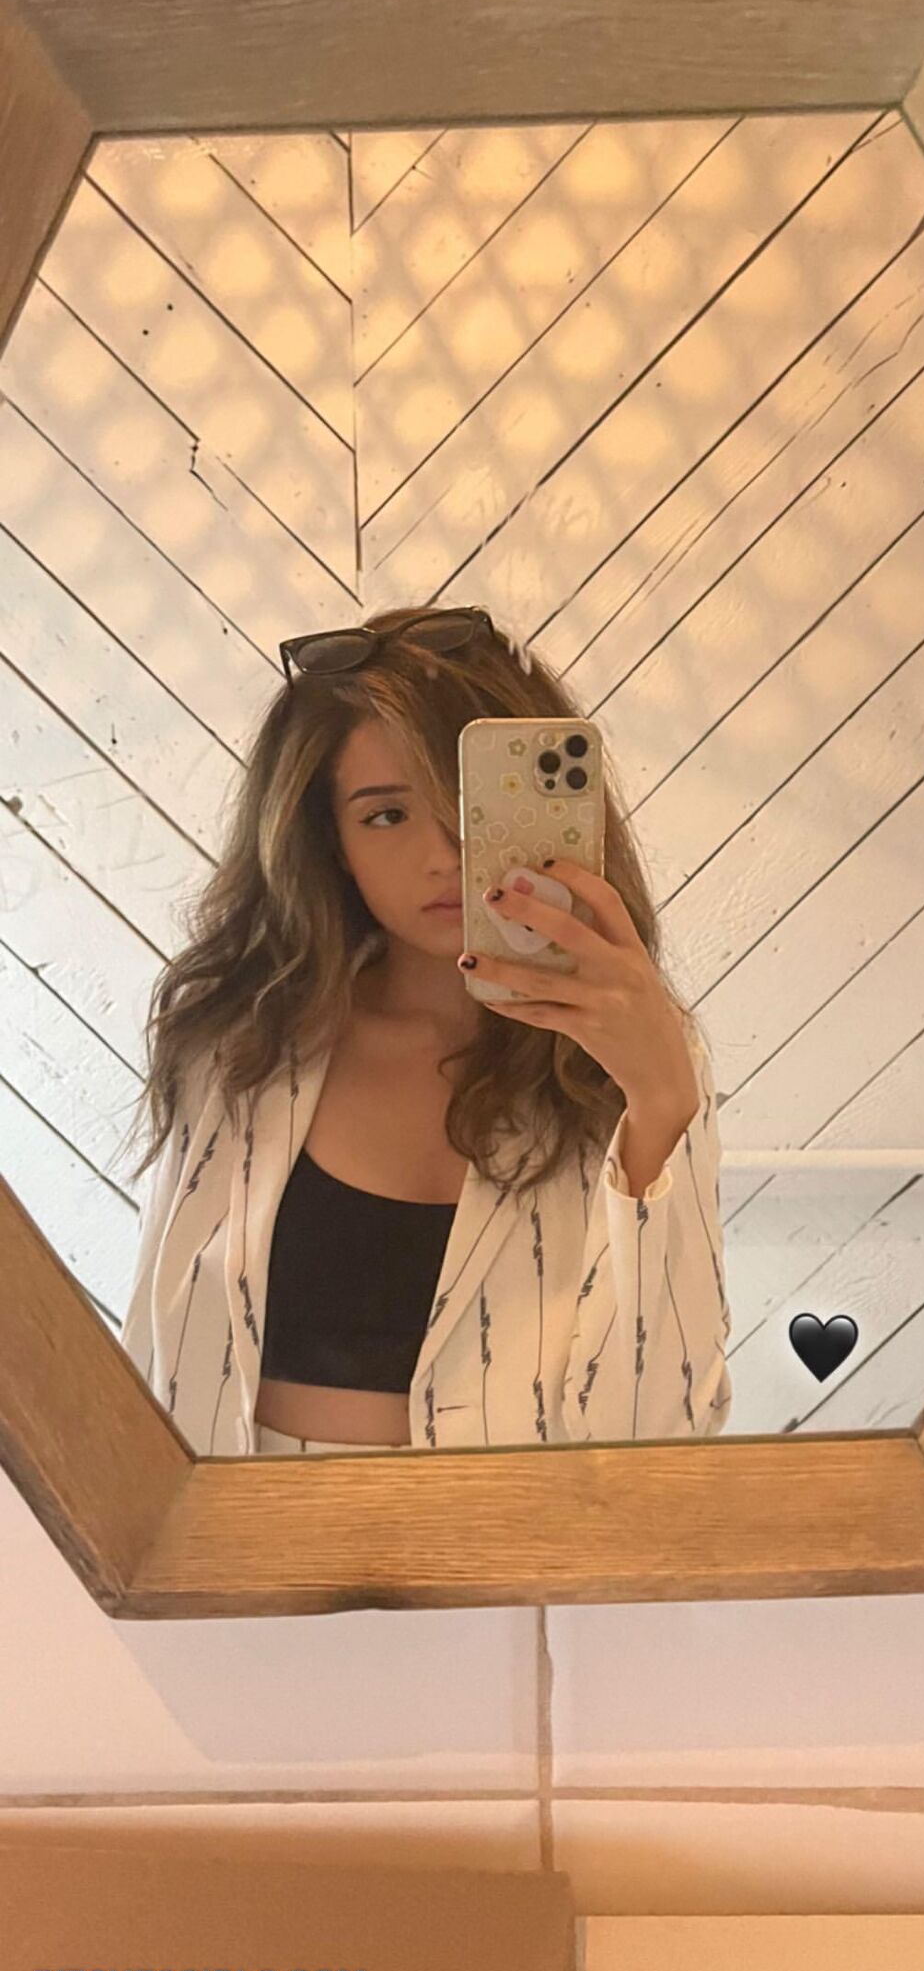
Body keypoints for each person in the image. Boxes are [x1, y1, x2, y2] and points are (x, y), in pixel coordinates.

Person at [115, 604, 733, 1457]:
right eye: (386, 815)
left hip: (512, 1534)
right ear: (329, 840)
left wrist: (662, 1104)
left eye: (472, 805)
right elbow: (159, 1367)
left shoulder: (631, 1063)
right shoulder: (239, 1045)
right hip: (245, 1526)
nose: (444, 854)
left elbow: (662, 1433)